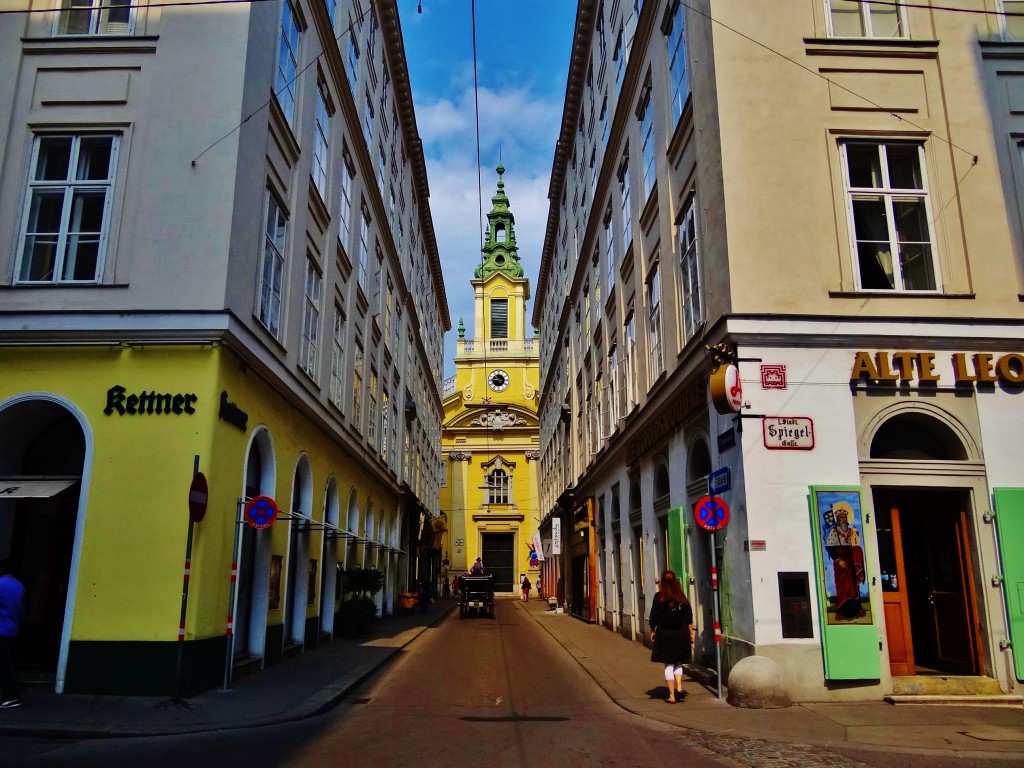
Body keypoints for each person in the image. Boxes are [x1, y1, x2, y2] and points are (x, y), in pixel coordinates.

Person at [648, 570, 693, 704]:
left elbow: (654, 615)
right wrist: (691, 633)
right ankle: (679, 687)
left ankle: (672, 696)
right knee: (678, 661)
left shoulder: (659, 597)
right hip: (681, 632)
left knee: (669, 663)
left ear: (662, 583)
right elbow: (688, 616)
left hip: (665, 633)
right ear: (675, 582)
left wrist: (652, 629)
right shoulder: (681, 597)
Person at [824, 502, 866, 621]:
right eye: (840, 517)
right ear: (837, 519)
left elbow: (856, 545)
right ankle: (842, 611)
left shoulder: (851, 530)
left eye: (844, 517)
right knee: (843, 585)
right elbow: (829, 547)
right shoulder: (833, 532)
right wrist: (838, 560)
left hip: (851, 560)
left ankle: (857, 609)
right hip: (840, 561)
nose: (843, 519)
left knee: (853, 583)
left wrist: (856, 550)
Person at [0, 559, 25, 709]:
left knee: (4, 666)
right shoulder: (19, 586)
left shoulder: (0, 585)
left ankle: (12, 696)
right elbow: (21, 610)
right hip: (10, 629)